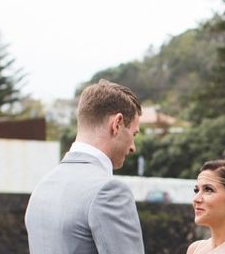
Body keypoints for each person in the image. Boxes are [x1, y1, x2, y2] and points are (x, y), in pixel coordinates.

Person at [25, 79, 145, 254]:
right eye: (133, 134)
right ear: (117, 124)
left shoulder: (43, 186)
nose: (133, 146)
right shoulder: (109, 191)